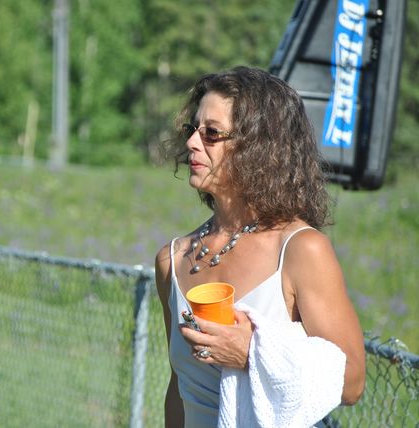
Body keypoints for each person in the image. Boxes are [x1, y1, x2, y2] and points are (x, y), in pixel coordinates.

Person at [154, 66, 366, 427]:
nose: (192, 143)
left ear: (258, 147)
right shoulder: (171, 260)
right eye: (193, 129)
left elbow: (351, 382)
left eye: (212, 133)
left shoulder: (300, 249)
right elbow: (180, 387)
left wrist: (253, 353)